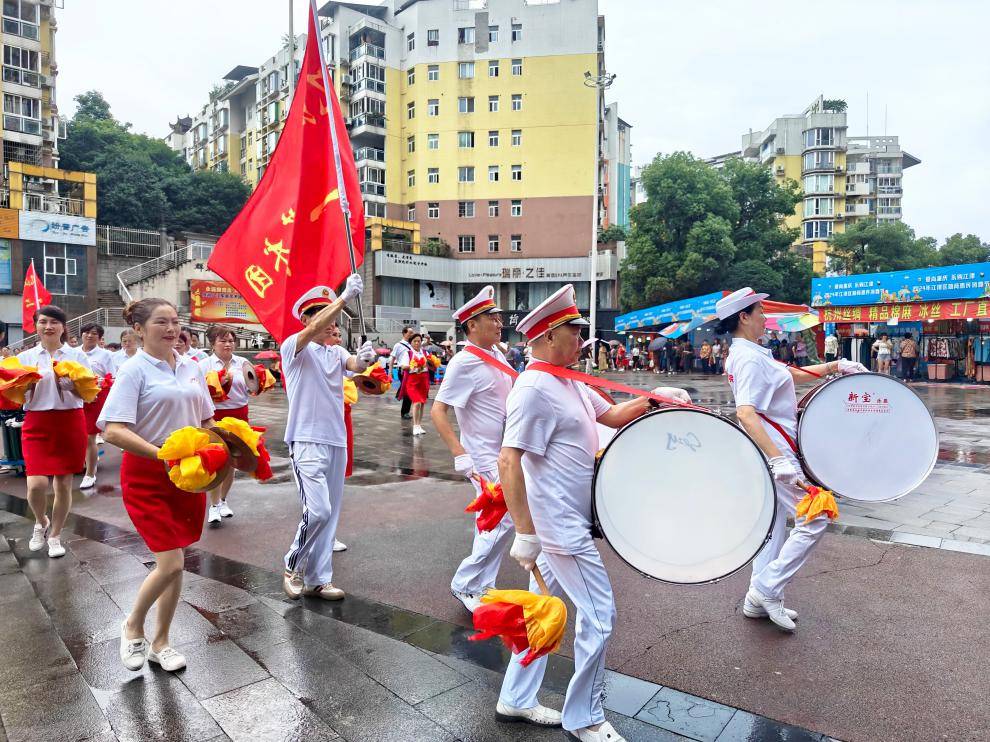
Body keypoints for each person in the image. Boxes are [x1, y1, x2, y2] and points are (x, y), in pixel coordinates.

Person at [497, 284, 691, 739]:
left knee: (540, 610)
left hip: (566, 519)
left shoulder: (568, 381)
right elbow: (508, 459)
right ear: (546, 337)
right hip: (558, 526)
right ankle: (584, 717)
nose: (584, 338)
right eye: (575, 330)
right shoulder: (533, 389)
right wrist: (525, 532)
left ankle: (515, 697)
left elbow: (612, 416)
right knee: (599, 615)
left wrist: (654, 398)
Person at [717, 288, 867, 632]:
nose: (765, 318)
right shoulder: (748, 358)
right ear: (744, 317)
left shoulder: (754, 353)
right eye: (760, 312)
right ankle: (765, 590)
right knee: (816, 517)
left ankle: (758, 599)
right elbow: (746, 412)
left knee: (773, 529)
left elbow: (790, 375)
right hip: (777, 453)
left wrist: (834, 366)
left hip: (774, 450)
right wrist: (778, 462)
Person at [99, 298, 216, 673]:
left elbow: (207, 422)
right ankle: (133, 626)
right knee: (170, 562)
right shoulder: (133, 370)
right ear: (138, 329)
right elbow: (114, 430)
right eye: (161, 322)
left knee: (177, 564)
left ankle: (161, 642)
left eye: (175, 322)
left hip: (188, 475)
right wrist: (162, 454)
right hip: (148, 476)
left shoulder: (192, 367)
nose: (171, 329)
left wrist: (230, 451)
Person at [280, 277, 376, 602]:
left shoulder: (335, 353)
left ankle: (320, 578)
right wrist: (343, 297)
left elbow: (356, 366)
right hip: (305, 440)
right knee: (317, 510)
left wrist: (365, 358)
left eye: (332, 318)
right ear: (306, 320)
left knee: (330, 514)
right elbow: (311, 332)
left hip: (336, 440)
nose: (329, 323)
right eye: (320, 315)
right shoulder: (293, 348)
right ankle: (293, 564)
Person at [431, 286, 515, 613]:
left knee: (496, 521)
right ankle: (465, 583)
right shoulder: (463, 362)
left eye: (498, 316)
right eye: (490, 318)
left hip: (503, 453)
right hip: (481, 456)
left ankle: (483, 585)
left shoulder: (497, 355)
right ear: (471, 325)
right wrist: (460, 454)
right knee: (499, 519)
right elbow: (439, 410)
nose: (499, 322)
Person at [18, 305, 91, 558]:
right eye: (43, 321)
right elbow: (14, 396)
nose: (48, 326)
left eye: (54, 322)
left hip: (69, 422)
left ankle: (57, 535)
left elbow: (88, 395)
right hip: (37, 422)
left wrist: (72, 387)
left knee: (63, 484)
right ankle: (41, 522)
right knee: (36, 484)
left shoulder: (77, 356)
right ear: (36, 325)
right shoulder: (25, 357)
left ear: (63, 326)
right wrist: (24, 388)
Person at [199, 325, 252, 526]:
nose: (228, 344)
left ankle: (222, 500)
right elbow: (200, 391)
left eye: (231, 340)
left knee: (232, 461)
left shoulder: (243, 362)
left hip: (239, 415)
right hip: (214, 415)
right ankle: (213, 505)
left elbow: (253, 386)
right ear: (213, 343)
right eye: (223, 340)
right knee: (216, 459)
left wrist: (261, 382)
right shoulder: (205, 365)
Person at [79, 322, 115, 490]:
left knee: (89, 437)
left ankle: (90, 474)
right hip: (74, 397)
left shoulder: (105, 355)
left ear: (100, 338)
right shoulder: (73, 353)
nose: (89, 335)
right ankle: (84, 462)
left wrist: (99, 382)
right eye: (86, 332)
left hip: (94, 398)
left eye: (93, 333)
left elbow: (111, 377)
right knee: (76, 436)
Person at [399, 333, 431, 435]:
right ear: (411, 342)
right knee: (416, 402)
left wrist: (432, 363)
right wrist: (414, 366)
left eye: (419, 341)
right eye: (415, 341)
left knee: (421, 403)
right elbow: (403, 366)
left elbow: (431, 365)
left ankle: (419, 425)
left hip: (424, 380)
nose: (417, 343)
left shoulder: (425, 353)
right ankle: (415, 426)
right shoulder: (408, 353)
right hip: (412, 381)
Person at [390, 326, 415, 419]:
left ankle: (400, 394)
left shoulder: (412, 345)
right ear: (404, 333)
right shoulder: (398, 345)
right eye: (410, 333)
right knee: (408, 392)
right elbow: (392, 359)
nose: (412, 334)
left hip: (411, 371)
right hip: (403, 371)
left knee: (409, 391)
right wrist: (390, 372)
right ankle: (405, 412)